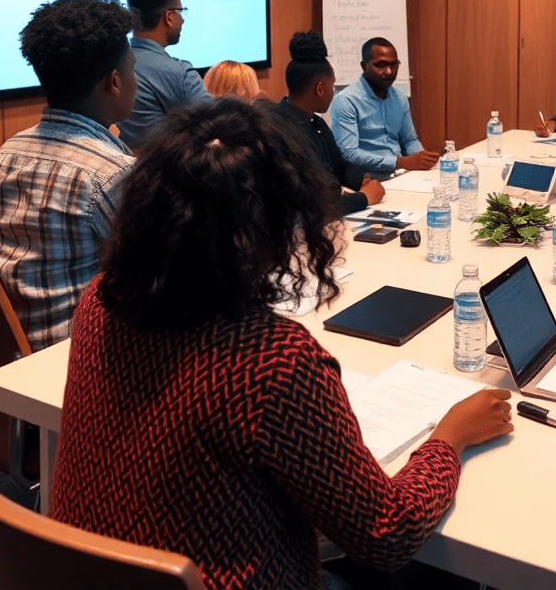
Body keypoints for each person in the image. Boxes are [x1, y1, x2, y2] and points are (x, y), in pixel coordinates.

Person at [49, 98, 512, 590]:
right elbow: (387, 535)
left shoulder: (100, 300)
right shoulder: (272, 363)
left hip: (91, 571)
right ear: (277, 223)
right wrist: (449, 438)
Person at [0, 0, 136, 351]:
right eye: (133, 69)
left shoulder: (5, 154)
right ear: (114, 81)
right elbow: (162, 277)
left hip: (8, 359)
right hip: (80, 359)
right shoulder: (112, 175)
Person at [279, 31, 385, 217]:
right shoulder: (282, 133)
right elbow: (311, 207)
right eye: (333, 85)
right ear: (320, 88)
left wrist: (361, 179)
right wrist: (364, 198)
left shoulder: (315, 122)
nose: (333, 92)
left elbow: (340, 167)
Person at [116, 0, 209, 150]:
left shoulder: (112, 66)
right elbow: (217, 126)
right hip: (168, 166)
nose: (182, 19)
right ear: (169, 17)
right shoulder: (180, 73)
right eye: (180, 11)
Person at [330, 38, 439, 173]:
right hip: (368, 179)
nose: (389, 71)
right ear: (364, 66)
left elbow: (409, 140)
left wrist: (423, 159)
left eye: (394, 64)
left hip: (401, 173)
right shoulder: (346, 101)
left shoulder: (399, 98)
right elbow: (348, 153)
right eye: (381, 65)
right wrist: (399, 162)